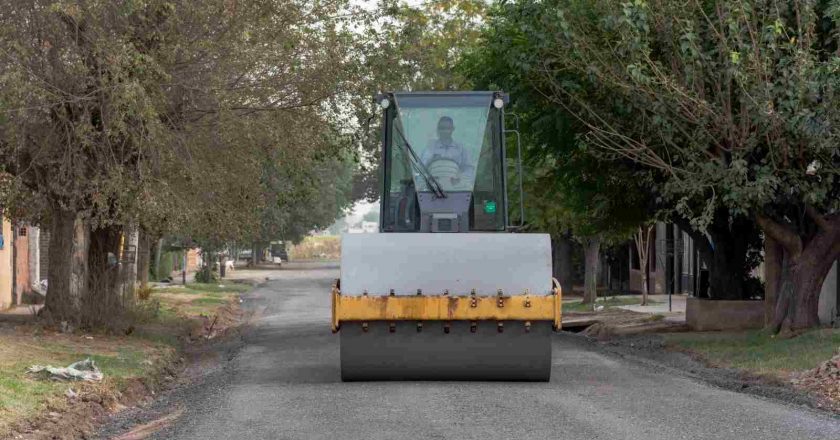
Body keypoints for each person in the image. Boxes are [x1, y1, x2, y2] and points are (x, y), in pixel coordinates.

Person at [420, 116, 474, 185]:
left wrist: (460, 179)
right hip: (433, 188)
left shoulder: (461, 149)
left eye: (448, 128)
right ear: (438, 129)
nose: (445, 131)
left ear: (453, 129)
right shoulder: (430, 148)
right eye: (442, 128)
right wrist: (432, 161)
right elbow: (422, 166)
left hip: (457, 189)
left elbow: (469, 169)